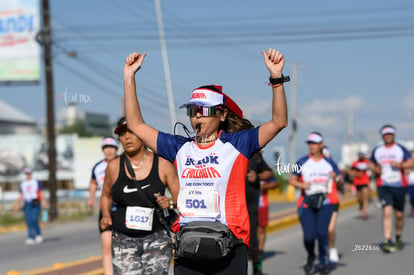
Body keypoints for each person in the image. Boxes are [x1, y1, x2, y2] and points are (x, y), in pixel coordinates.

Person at [123, 48, 288, 275]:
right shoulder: (180, 147)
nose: (197, 116)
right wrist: (129, 77)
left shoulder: (237, 144)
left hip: (230, 244)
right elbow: (136, 125)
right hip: (188, 245)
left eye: (204, 110)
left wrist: (276, 78)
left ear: (221, 115)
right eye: (192, 110)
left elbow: (279, 122)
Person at [100, 117, 180, 274]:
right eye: (122, 134)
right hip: (123, 239)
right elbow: (106, 195)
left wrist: (170, 202)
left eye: (131, 132)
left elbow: (181, 199)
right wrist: (105, 214)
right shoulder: (114, 166)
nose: (127, 137)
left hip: (156, 237)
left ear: (142, 135)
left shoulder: (163, 164)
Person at [288, 132, 340, 275]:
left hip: (325, 202)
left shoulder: (329, 163)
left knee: (322, 233)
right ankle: (311, 255)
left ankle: (323, 260)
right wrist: (301, 185)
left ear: (321, 145)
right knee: (309, 237)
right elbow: (292, 180)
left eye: (315, 143)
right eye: (310, 143)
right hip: (307, 202)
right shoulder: (302, 161)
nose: (312, 146)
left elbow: (340, 179)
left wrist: (336, 178)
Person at [369, 125, 412, 253]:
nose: (388, 136)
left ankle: (398, 236)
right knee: (387, 212)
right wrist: (375, 168)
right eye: (386, 134)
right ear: (382, 136)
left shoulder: (401, 149)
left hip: (399, 185)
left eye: (390, 134)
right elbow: (370, 162)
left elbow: (411, 162)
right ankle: (387, 240)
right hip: (384, 185)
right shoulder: (378, 150)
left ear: (394, 135)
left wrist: (400, 165)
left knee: (399, 215)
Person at [88, 136, 118, 275]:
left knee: (122, 246)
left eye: (111, 147)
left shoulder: (123, 162)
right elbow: (93, 182)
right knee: (106, 247)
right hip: (105, 210)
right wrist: (91, 197)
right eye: (106, 148)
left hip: (122, 209)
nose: (109, 150)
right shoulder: (98, 166)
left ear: (116, 148)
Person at [245, 152, 274, 275]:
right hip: (230, 208)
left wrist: (257, 177)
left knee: (252, 245)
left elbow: (269, 173)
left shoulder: (253, 155)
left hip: (251, 207)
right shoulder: (224, 150)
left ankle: (257, 266)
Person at [13, 167, 47, 245]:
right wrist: (17, 203)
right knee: (29, 221)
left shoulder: (36, 182)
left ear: (31, 174)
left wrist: (43, 201)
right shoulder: (23, 184)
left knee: (34, 219)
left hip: (35, 202)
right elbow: (21, 194)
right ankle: (31, 237)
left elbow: (41, 192)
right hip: (27, 203)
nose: (27, 175)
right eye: (26, 174)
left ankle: (38, 234)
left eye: (29, 173)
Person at [322, 145, 341, 264]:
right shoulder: (309, 165)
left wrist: (336, 179)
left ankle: (332, 248)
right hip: (316, 202)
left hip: (332, 200)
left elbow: (340, 182)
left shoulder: (332, 166)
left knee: (330, 229)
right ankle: (323, 251)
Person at [257, 176, 278, 259]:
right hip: (247, 205)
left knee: (260, 229)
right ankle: (252, 249)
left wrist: (263, 186)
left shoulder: (265, 171)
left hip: (261, 205)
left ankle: (260, 250)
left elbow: (275, 183)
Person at [350, 152, 370, 219]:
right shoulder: (355, 163)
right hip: (357, 183)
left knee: (365, 197)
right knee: (359, 198)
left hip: (365, 182)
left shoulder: (367, 162)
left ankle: (365, 212)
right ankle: (361, 205)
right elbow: (351, 172)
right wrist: (356, 174)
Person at [407, 151, 414, 216]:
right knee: (412, 198)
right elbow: (405, 171)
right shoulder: (408, 163)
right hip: (411, 183)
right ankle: (413, 207)